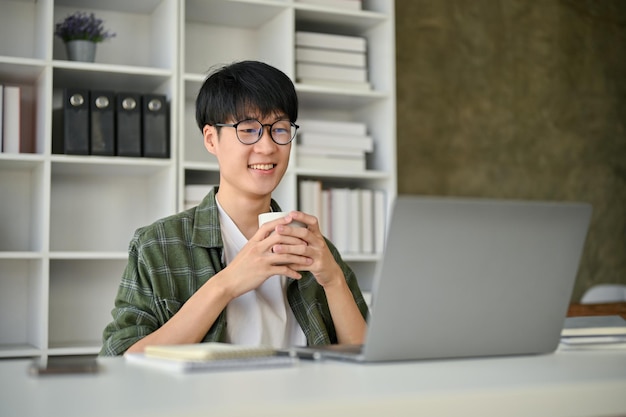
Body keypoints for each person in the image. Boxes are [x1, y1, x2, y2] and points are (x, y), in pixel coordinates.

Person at [100, 60, 369, 356]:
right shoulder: (157, 245)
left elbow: (367, 358)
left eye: (279, 129)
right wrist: (225, 285)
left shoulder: (314, 248)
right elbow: (119, 361)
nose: (267, 147)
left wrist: (333, 280)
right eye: (248, 129)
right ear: (211, 139)